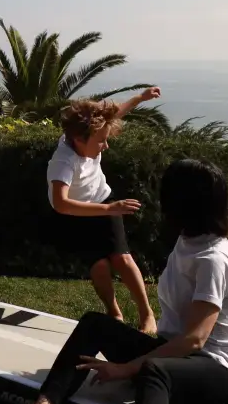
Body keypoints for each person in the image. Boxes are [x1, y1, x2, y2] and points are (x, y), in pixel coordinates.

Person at [4, 157, 228, 404]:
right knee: (94, 324)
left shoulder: (214, 258)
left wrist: (126, 368)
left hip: (212, 368)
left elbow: (195, 339)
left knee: (154, 370)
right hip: (171, 351)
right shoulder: (189, 240)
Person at [46, 91, 164, 324]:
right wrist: (110, 210)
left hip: (102, 200)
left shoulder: (87, 131)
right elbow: (61, 203)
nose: (106, 146)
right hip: (75, 212)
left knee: (122, 258)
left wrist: (140, 98)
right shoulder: (64, 161)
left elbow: (113, 113)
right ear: (79, 140)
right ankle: (114, 312)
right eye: (101, 141)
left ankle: (146, 314)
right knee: (98, 265)